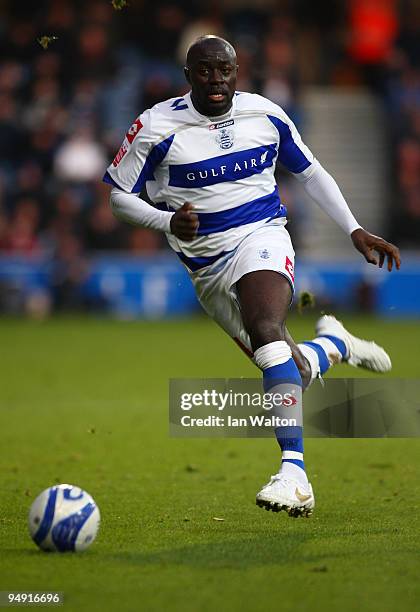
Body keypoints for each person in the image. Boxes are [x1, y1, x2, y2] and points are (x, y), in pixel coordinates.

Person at [103, 36, 400, 518]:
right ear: (188, 75)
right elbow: (118, 197)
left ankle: (295, 473)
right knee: (287, 368)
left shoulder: (265, 114)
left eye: (225, 71)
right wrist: (165, 220)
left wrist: (354, 228)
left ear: (238, 72)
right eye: (205, 71)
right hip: (204, 267)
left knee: (267, 334)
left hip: (262, 235)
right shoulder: (155, 126)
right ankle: (334, 346)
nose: (216, 81)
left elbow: (311, 173)